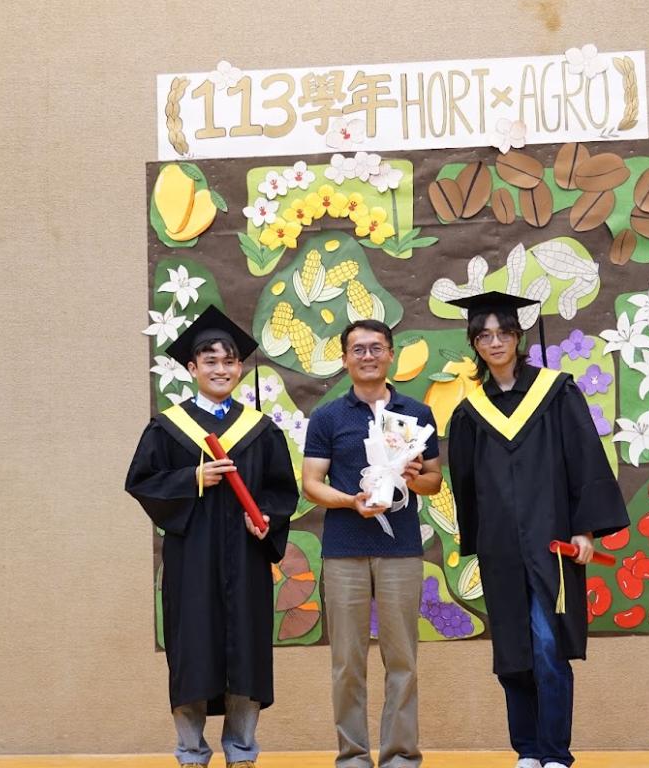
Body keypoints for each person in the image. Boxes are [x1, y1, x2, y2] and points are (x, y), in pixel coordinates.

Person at [446, 292, 630, 768]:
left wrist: (586, 529)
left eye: (503, 333)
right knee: (512, 650)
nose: (495, 342)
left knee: (548, 645)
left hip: (553, 542)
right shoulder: (470, 413)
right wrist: (476, 541)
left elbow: (584, 460)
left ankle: (555, 752)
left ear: (518, 336)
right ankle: (527, 749)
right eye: (484, 336)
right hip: (501, 548)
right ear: (475, 344)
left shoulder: (556, 393)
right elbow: (465, 484)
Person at [125, 305, 298, 768]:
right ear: (192, 368)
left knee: (245, 651)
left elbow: (282, 491)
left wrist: (265, 518)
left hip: (245, 557)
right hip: (192, 559)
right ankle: (190, 753)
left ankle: (242, 753)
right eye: (210, 361)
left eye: (229, 361)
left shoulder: (259, 430)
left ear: (239, 368)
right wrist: (193, 478)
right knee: (193, 652)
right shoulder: (168, 428)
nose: (221, 369)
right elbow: (141, 481)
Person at [301, 319, 443, 768]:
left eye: (376, 348)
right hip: (344, 549)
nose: (368, 356)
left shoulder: (416, 414)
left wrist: (413, 478)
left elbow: (435, 481)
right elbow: (311, 484)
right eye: (358, 349)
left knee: (402, 660)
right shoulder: (327, 416)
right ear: (344, 358)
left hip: (401, 550)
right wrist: (350, 501)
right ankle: (353, 757)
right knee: (347, 662)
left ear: (391, 354)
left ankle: (401, 756)